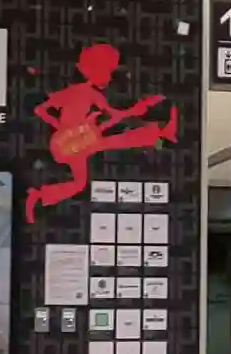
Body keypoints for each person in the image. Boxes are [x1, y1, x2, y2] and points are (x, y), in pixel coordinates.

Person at [24, 44, 178, 222]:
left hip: (75, 145)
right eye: (107, 71)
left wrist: (64, 129)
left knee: (85, 176)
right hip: (72, 143)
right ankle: (158, 134)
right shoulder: (85, 93)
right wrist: (69, 130)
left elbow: (41, 110)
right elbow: (41, 110)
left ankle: (39, 195)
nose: (109, 77)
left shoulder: (81, 92)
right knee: (116, 141)